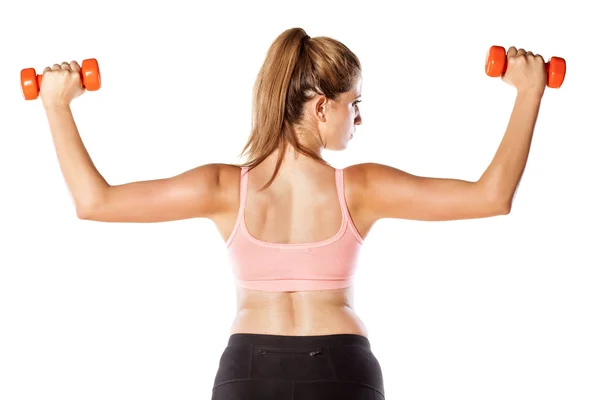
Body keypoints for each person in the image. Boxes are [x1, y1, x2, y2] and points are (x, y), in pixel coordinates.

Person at [37, 27, 547, 399]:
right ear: (322, 107)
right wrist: (529, 90)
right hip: (342, 372)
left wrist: (57, 105)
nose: (359, 117)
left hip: (248, 375)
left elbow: (94, 202)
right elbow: (490, 195)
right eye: (355, 103)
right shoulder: (363, 188)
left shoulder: (222, 188)